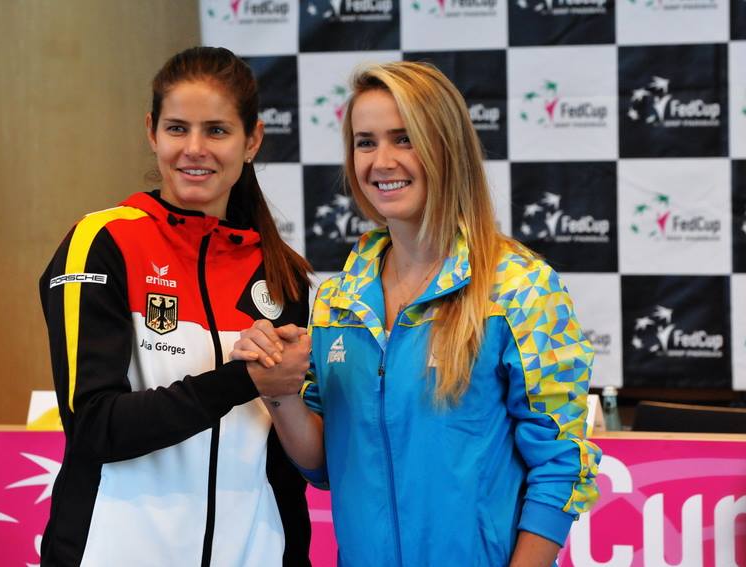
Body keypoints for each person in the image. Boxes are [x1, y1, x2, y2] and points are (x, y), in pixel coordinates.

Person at [233, 61, 602, 567]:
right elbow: (323, 464)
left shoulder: (519, 287)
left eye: (404, 139)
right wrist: (278, 390)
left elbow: (560, 468)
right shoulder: (339, 300)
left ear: (447, 147)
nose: (381, 161)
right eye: (365, 142)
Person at [39, 46, 314, 566]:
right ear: (152, 132)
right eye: (177, 129)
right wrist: (241, 380)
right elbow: (94, 426)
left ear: (252, 140)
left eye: (217, 130)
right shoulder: (102, 242)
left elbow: (285, 467)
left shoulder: (283, 274)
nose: (194, 149)